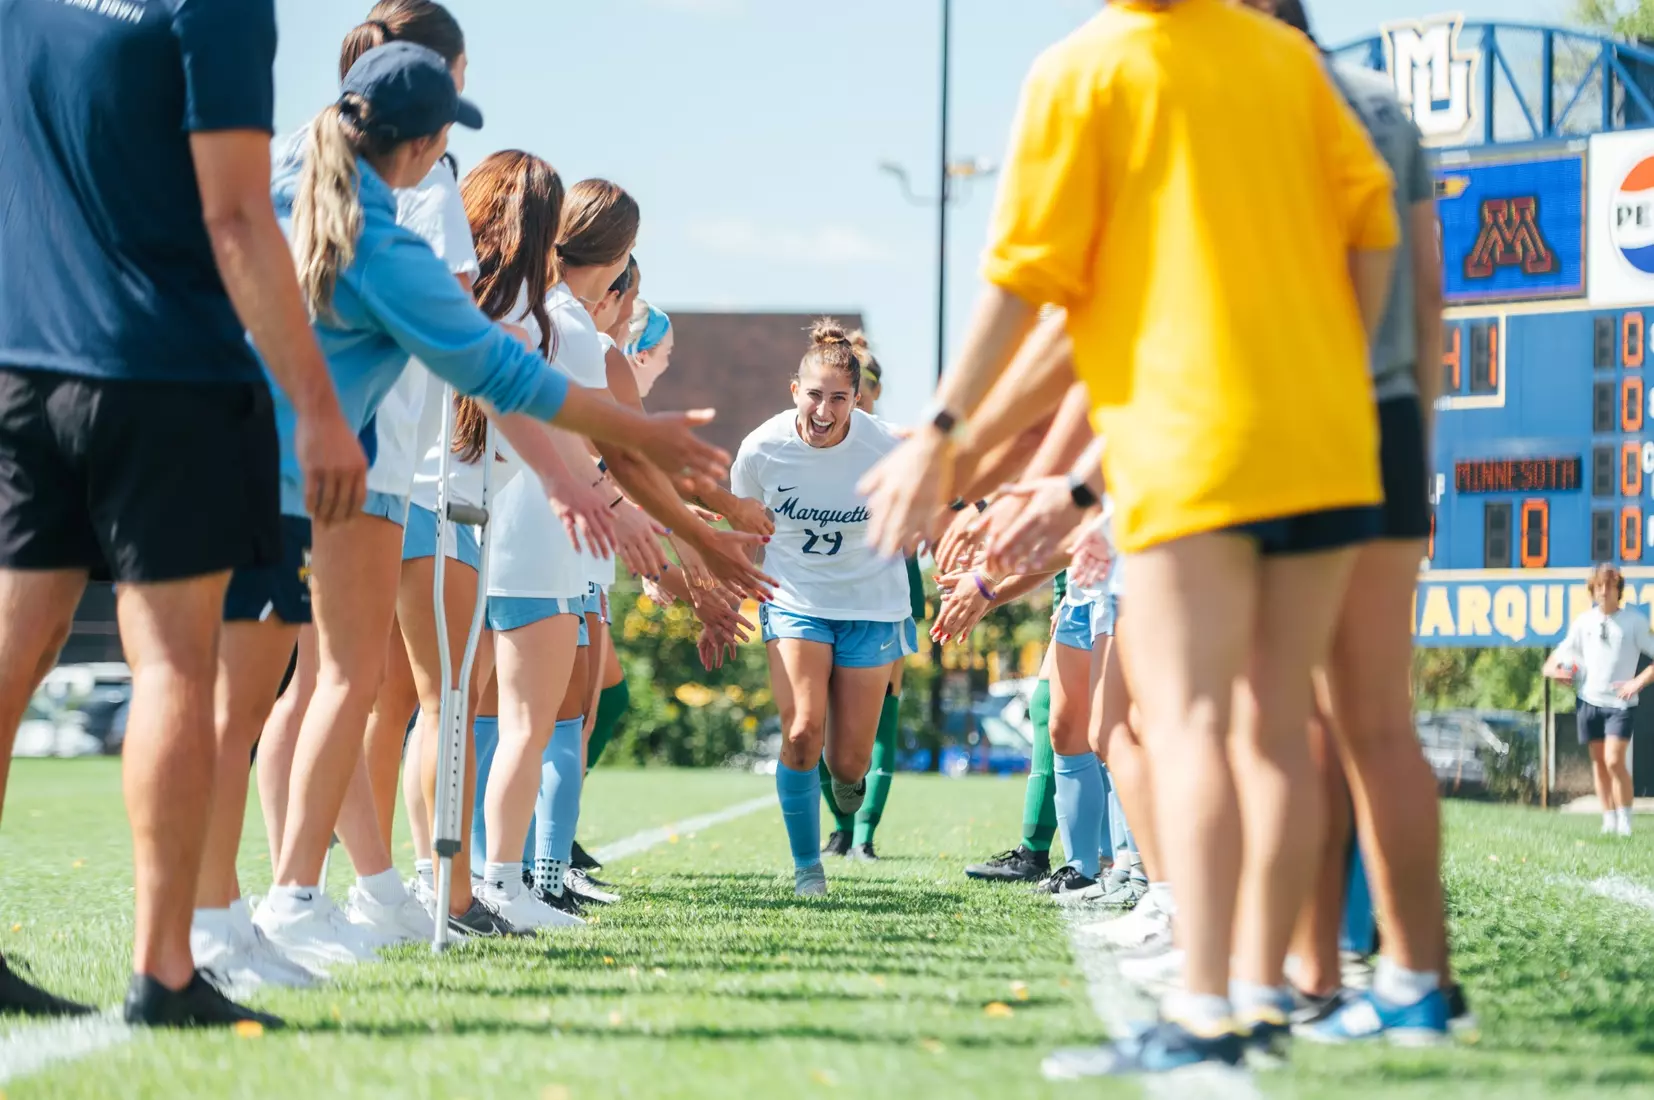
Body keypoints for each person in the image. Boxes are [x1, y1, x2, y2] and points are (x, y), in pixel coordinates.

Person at [862, 0, 1399, 1075]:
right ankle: (1271, 986)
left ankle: (1206, 1007)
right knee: (1278, 723)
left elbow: (1031, 285)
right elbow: (1371, 233)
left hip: (1194, 442)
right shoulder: (1285, 61)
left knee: (1186, 722)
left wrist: (947, 430)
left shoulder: (1088, 67)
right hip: (1329, 438)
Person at [230, 44, 725, 965]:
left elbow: (492, 376)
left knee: (317, 696)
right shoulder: (394, 244)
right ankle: (328, 896)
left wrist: (594, 478)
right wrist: (609, 472)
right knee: (375, 698)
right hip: (378, 492)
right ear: (423, 146)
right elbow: (498, 375)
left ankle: (333, 894)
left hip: (312, 480)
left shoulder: (288, 197)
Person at [0, 0, 366, 1028]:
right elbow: (237, 216)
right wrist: (318, 407)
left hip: (23, 367)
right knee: (174, 666)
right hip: (166, 375)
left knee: (11, 657)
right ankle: (164, 970)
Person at [731, 321, 912, 896]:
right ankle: (808, 868)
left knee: (849, 765)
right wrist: (720, 597)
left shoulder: (888, 446)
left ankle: (848, 788)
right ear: (795, 391)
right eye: (814, 395)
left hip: (871, 605)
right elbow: (742, 533)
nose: (824, 410)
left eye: (838, 398)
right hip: (795, 600)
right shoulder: (761, 449)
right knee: (803, 729)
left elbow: (937, 499)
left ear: (858, 399)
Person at [819, 331, 919, 861]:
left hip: (887, 587)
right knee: (818, 714)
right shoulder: (811, 438)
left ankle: (864, 835)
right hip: (823, 589)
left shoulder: (891, 440)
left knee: (881, 709)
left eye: (862, 384)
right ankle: (840, 827)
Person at [1545, 563, 1654, 838]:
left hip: (1620, 704)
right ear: (1592, 590)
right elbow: (1553, 661)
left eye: (1610, 585)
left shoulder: (1634, 621)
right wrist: (1556, 672)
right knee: (1600, 764)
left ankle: (1625, 820)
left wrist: (1636, 682)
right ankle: (1608, 820)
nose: (1604, 591)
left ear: (1619, 589)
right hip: (1588, 701)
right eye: (1599, 586)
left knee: (1614, 760)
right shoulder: (1583, 622)